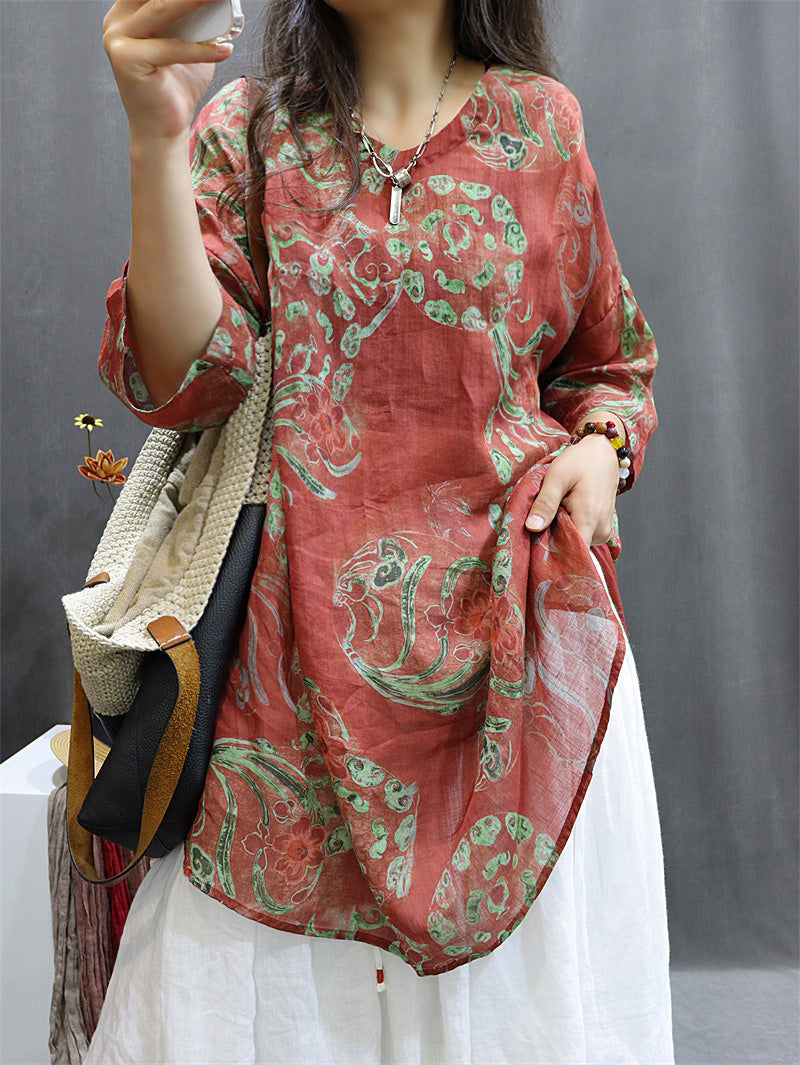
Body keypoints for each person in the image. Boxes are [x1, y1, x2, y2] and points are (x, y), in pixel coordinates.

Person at [84, 0, 674, 1061]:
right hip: (284, 679)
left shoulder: (540, 125)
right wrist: (155, 138)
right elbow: (186, 379)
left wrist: (602, 449)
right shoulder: (252, 130)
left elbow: (608, 360)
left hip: (516, 653)